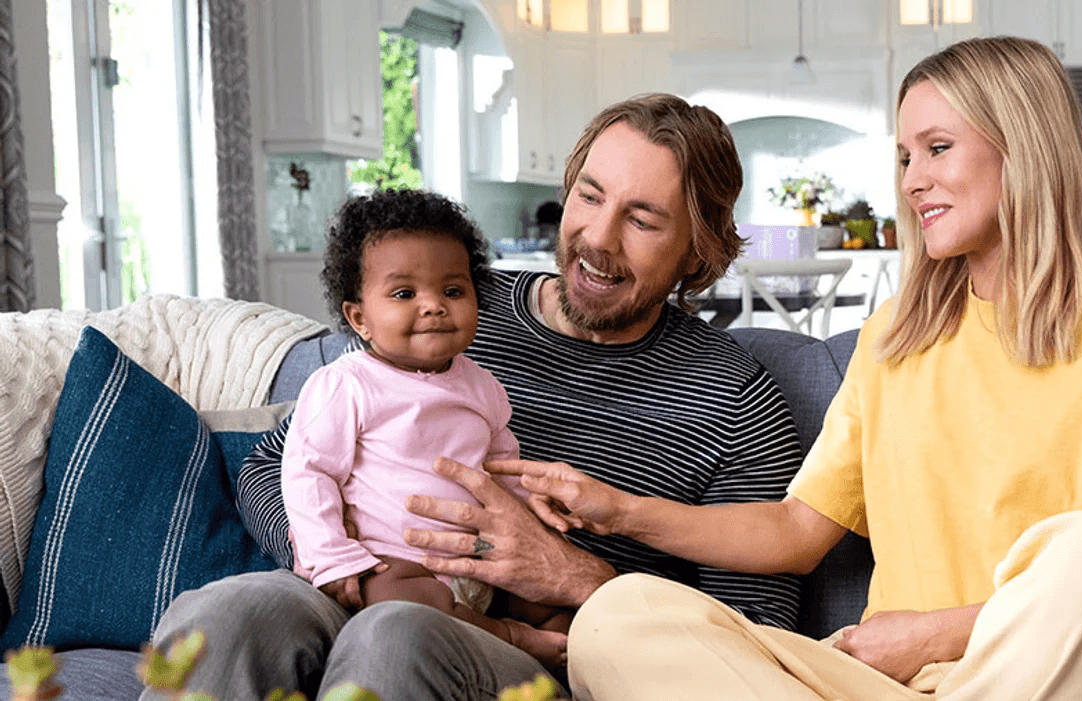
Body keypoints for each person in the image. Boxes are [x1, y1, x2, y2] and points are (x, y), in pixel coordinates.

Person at [492, 37, 1082, 701]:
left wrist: (934, 636)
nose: (912, 179)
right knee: (621, 617)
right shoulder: (895, 337)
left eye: (937, 148)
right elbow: (794, 530)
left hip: (1031, 675)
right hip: (870, 681)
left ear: (1025, 146)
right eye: (904, 156)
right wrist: (618, 509)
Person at [140, 93, 806, 701]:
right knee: (230, 613)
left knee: (394, 633)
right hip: (359, 579)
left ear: (700, 250)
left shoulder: (734, 401)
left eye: (642, 220)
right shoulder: (451, 299)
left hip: (539, 649)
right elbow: (272, 465)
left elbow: (749, 641)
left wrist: (578, 577)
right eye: (589, 196)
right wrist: (353, 568)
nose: (597, 239)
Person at [281, 189, 569, 666]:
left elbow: (504, 466)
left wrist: (533, 508)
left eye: (453, 291)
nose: (434, 306)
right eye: (404, 294)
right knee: (406, 603)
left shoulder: (482, 386)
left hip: (481, 558)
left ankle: (559, 650)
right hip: (392, 559)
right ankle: (508, 637)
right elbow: (307, 473)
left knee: (554, 601)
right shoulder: (345, 385)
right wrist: (331, 557)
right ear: (359, 318)